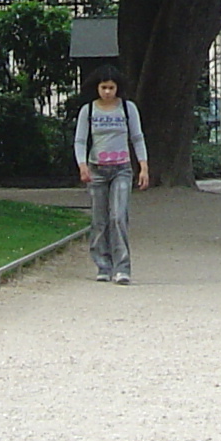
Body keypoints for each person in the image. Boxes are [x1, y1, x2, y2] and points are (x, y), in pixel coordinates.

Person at [73, 68, 151, 284]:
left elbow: (137, 137)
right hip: (97, 169)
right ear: (96, 88)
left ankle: (122, 266)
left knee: (118, 217)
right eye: (103, 87)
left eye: (111, 87)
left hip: (122, 169)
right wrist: (82, 165)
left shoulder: (127, 108)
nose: (107, 92)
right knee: (99, 220)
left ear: (118, 88)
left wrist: (143, 166)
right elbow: (80, 140)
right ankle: (102, 264)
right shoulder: (88, 111)